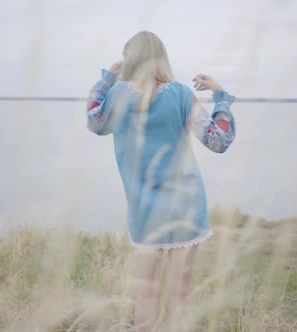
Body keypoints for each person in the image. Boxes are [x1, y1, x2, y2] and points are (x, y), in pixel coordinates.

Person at [85, 31, 236, 332]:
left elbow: (94, 121)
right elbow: (218, 141)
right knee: (180, 295)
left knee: (146, 292)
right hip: (186, 207)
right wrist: (220, 96)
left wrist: (108, 78)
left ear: (130, 61)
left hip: (144, 212)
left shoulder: (117, 96)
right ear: (160, 59)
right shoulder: (181, 95)